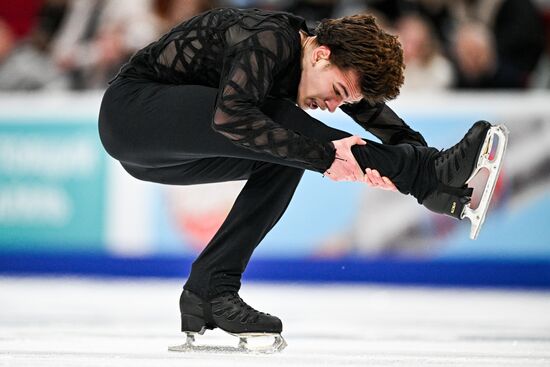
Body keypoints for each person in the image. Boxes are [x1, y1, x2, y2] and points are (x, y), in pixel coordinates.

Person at [98, 8, 505, 352]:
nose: (333, 107)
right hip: (131, 116)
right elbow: (231, 116)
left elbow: (378, 120)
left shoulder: (318, 61)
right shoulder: (271, 38)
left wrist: (417, 157)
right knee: (284, 125)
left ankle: (209, 291)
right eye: (338, 91)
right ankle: (429, 181)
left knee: (285, 153)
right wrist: (328, 156)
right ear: (321, 54)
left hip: (166, 153)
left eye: (344, 102)